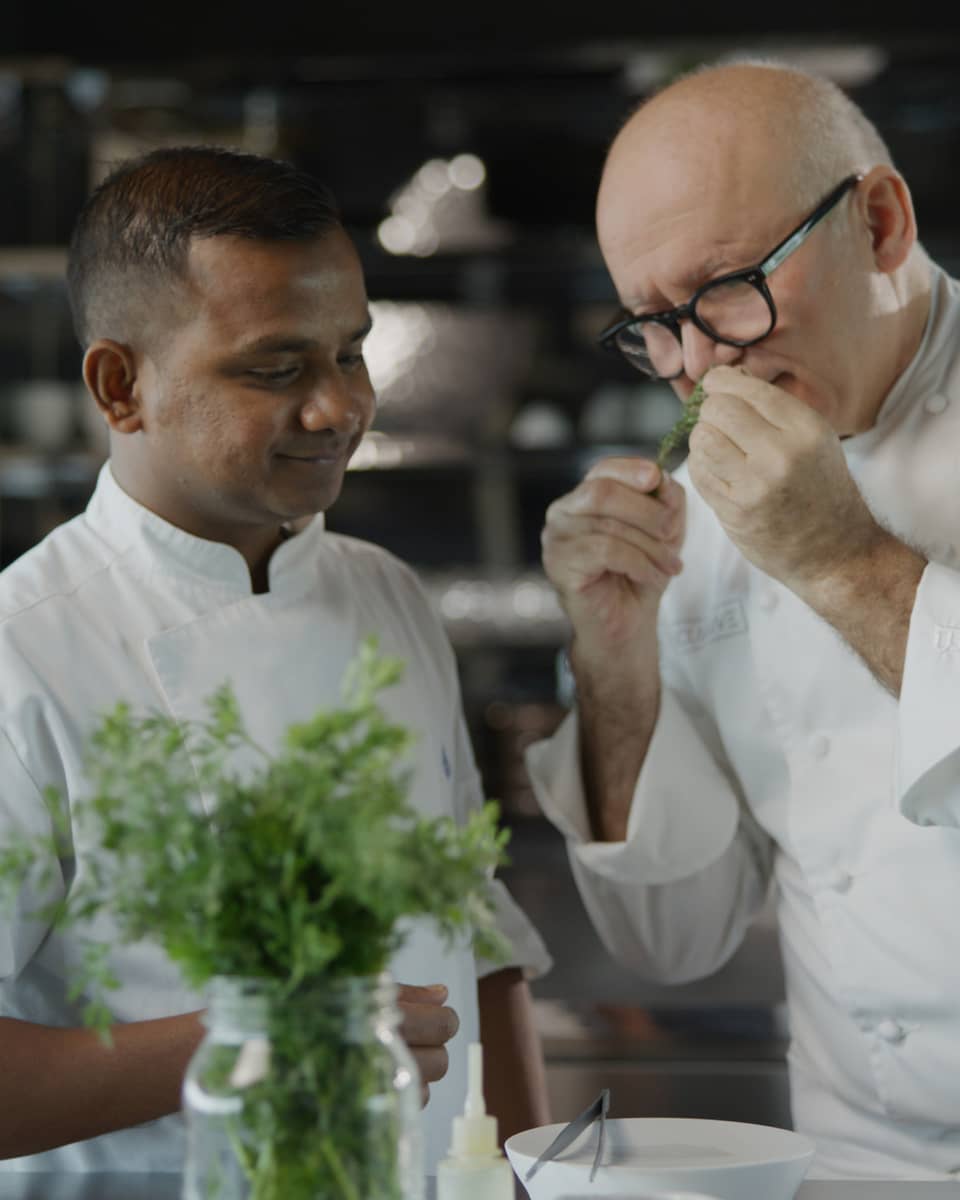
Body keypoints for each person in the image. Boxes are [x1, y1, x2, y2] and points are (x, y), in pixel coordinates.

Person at [0, 145, 551, 1174]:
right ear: (121, 385)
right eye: (274, 368)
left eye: (350, 352)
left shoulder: (386, 593)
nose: (338, 407)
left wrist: (529, 1180)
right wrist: (275, 1037)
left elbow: (476, 937)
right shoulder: (22, 651)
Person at [525, 58, 960, 1179]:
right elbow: (672, 937)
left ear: (879, 219)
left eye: (727, 284)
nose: (703, 362)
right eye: (653, 324)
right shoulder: (709, 501)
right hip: (852, 1162)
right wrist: (614, 664)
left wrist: (840, 560)